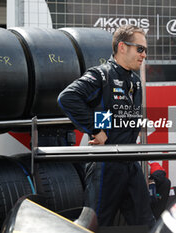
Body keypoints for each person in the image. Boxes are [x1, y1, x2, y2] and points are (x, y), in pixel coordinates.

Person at [57, 25, 155, 227]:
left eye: (145, 50)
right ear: (122, 47)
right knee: (96, 224)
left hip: (130, 162)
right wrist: (96, 130)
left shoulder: (135, 82)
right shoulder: (102, 75)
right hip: (105, 164)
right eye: (140, 49)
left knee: (146, 223)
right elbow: (67, 98)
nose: (144, 54)